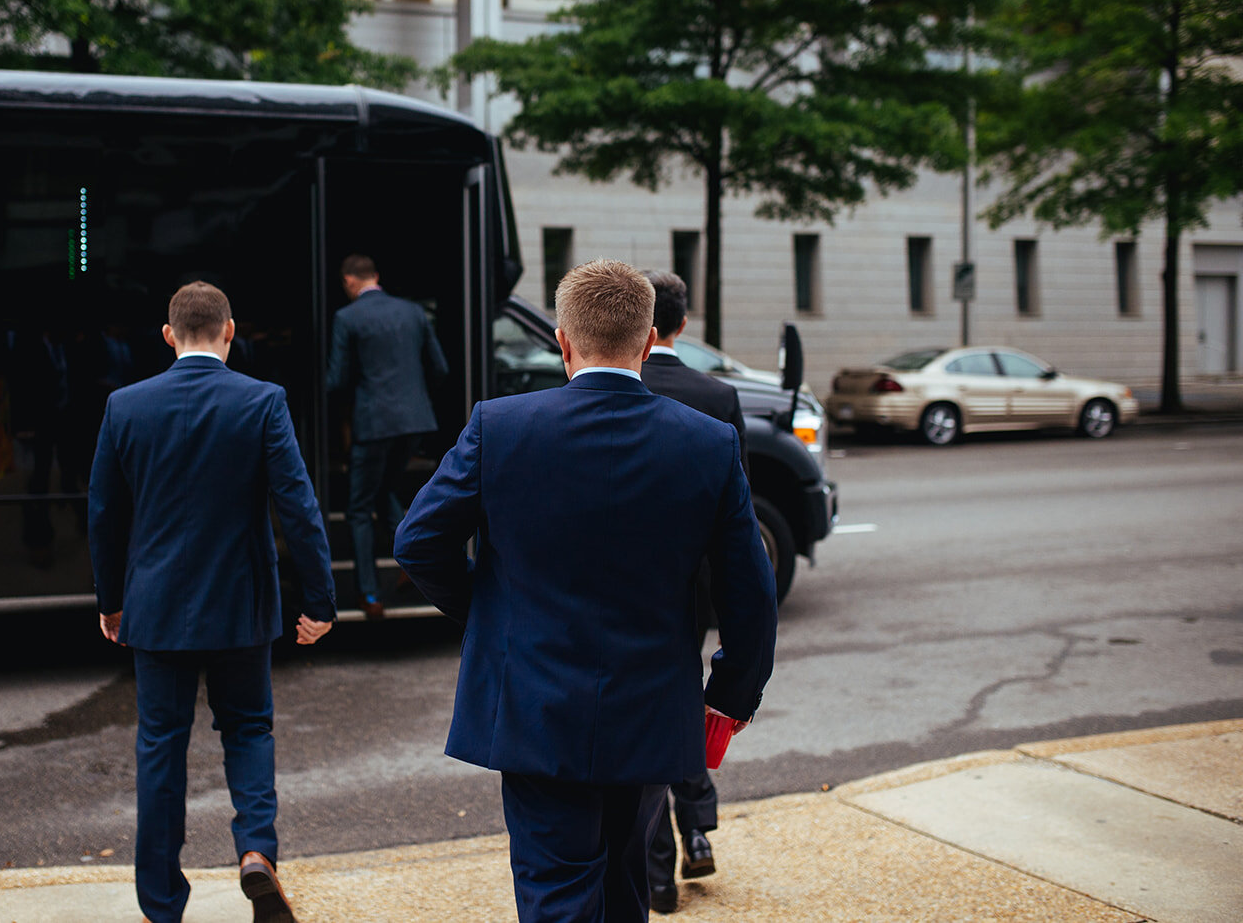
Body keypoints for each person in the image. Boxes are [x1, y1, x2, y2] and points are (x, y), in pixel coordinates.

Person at [395, 259, 778, 923]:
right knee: (626, 884)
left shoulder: (501, 427)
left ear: (564, 342)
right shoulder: (708, 443)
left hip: (535, 702)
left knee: (556, 889)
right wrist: (729, 697)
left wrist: (488, 612)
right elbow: (750, 589)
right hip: (652, 704)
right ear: (648, 337)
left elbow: (419, 541)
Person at [88, 281, 337, 923]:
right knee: (249, 729)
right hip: (241, 605)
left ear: (167, 336)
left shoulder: (125, 405)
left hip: (156, 604)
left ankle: (162, 903)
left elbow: (105, 517)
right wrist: (320, 601)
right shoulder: (262, 401)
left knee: (161, 746)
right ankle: (257, 851)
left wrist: (112, 600)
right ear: (231, 332)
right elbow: (298, 508)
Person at [638, 269, 747, 914]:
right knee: (681, 695)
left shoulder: (615, 386)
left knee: (650, 717)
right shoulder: (717, 395)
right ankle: (697, 825)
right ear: (681, 325)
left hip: (629, 586)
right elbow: (735, 510)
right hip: (696, 585)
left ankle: (656, 875)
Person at [326, 253, 449, 618]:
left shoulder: (347, 318)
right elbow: (440, 367)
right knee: (385, 493)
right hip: (414, 421)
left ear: (349, 281)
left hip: (373, 423)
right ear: (376, 276)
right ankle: (413, 566)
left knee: (360, 508)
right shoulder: (413, 312)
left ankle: (369, 594)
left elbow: (336, 381)